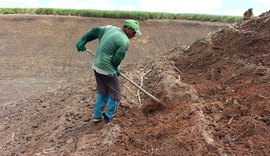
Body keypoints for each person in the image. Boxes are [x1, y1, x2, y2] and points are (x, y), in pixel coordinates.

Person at [75, 19, 142, 124]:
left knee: (103, 91)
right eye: (134, 32)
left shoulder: (110, 28)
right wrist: (115, 68)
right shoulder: (125, 41)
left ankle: (97, 116)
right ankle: (108, 117)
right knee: (116, 94)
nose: (134, 35)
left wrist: (83, 40)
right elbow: (116, 59)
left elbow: (94, 31)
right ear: (128, 29)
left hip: (97, 65)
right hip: (107, 69)